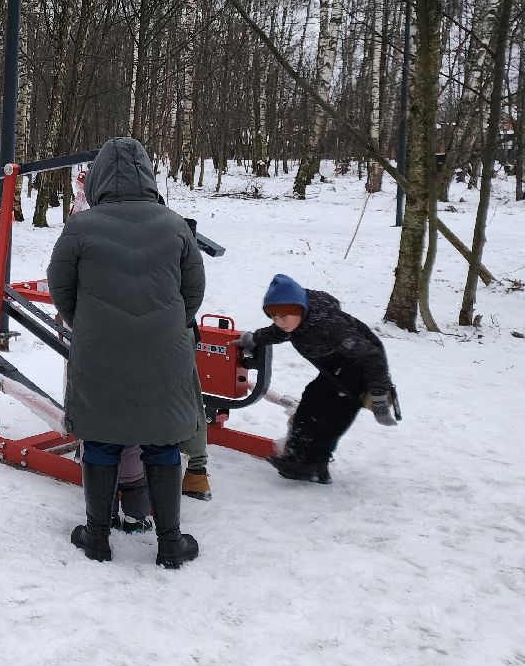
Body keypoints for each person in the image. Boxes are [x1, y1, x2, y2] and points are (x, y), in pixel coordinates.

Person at [47, 137, 206, 568]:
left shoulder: (80, 226)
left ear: (98, 179)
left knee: (99, 435)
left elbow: (59, 286)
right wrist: (166, 325)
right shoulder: (174, 225)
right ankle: (170, 542)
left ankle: (97, 537)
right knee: (163, 440)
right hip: (165, 351)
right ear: (149, 175)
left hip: (99, 349)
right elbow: (194, 292)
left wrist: (91, 324)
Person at [238, 274, 400, 484]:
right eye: (273, 317)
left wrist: (378, 395)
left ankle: (314, 465)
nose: (278, 322)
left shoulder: (330, 327)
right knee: (311, 402)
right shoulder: (296, 318)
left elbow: (371, 355)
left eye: (283, 317)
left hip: (360, 371)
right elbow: (279, 333)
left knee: (333, 417)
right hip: (335, 368)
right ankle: (296, 459)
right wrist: (254, 339)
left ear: (299, 310)